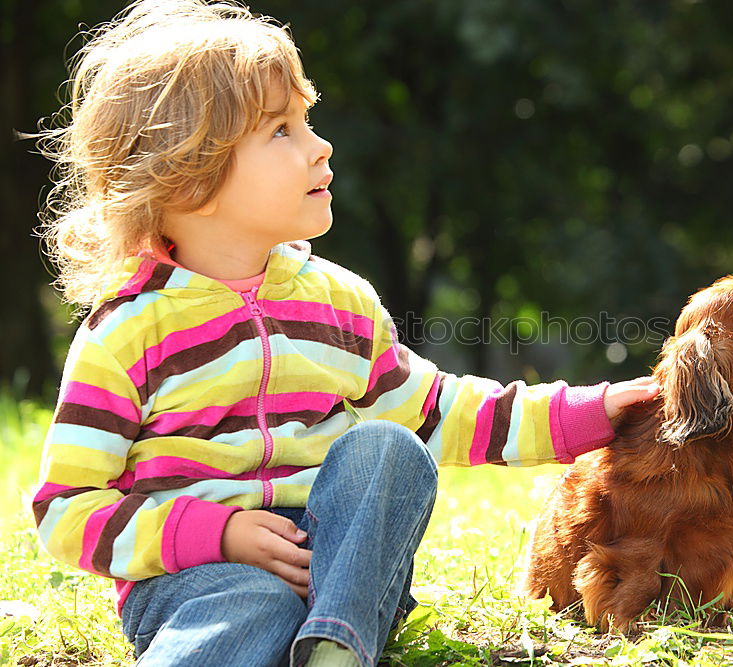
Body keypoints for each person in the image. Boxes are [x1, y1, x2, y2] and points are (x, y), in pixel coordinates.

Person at [31, 1, 661, 666]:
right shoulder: (126, 333)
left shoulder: (338, 302)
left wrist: (593, 413)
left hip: (341, 573)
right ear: (193, 178)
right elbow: (65, 510)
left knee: (390, 450)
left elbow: (439, 411)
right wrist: (217, 533)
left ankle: (334, 647)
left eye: (307, 121)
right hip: (196, 578)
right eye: (282, 131)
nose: (319, 145)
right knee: (254, 605)